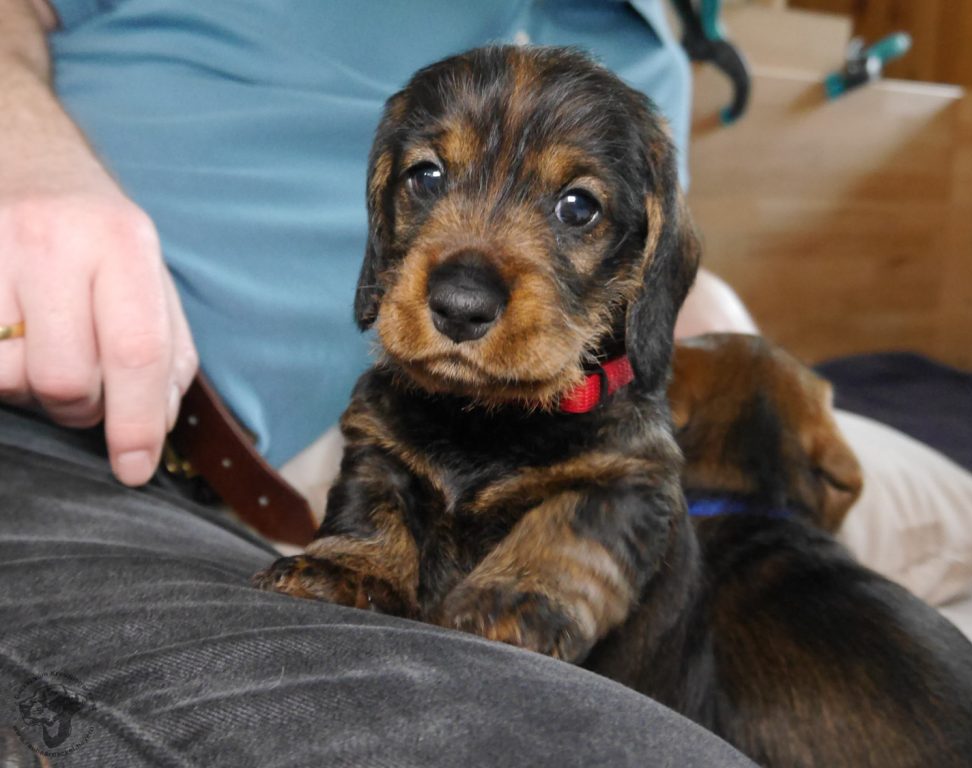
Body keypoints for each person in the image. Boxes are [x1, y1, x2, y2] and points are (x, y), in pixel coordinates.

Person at [0, 1, 757, 764]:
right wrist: (27, 160)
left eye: (576, 206)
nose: (463, 292)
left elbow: (649, 313)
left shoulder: (652, 54)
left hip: (227, 506)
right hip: (39, 433)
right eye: (426, 176)